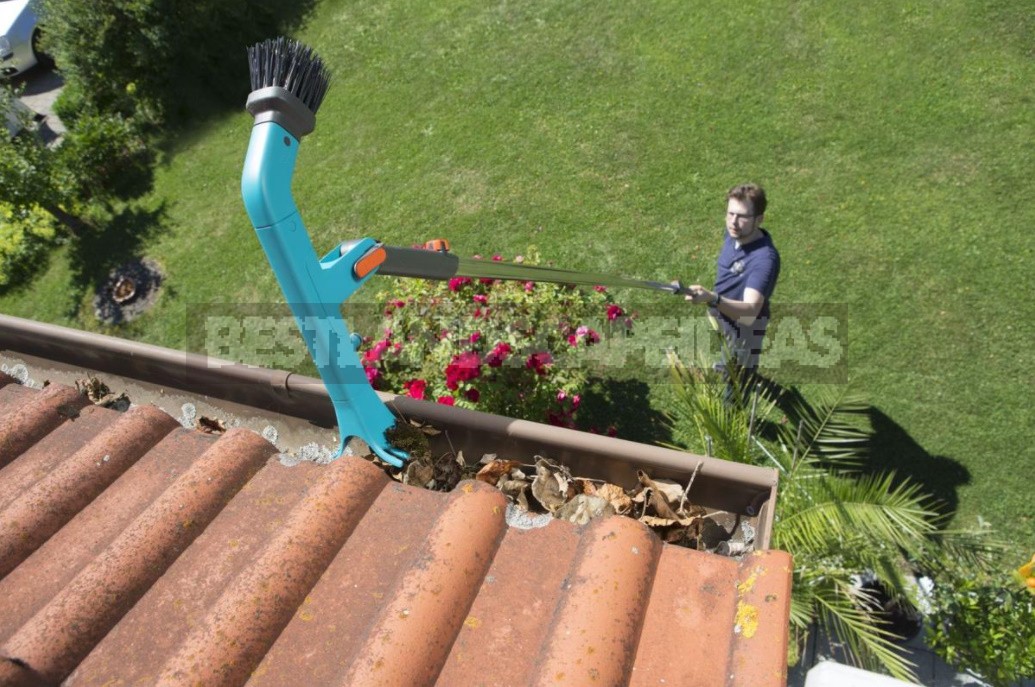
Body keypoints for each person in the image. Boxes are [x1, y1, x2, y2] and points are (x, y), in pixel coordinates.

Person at [683, 183, 780, 397]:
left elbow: (749, 312)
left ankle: (729, 417)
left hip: (744, 335)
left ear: (759, 219)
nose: (734, 222)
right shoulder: (735, 234)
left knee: (734, 390)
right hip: (725, 322)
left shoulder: (764, 260)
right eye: (730, 213)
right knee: (728, 362)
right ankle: (729, 368)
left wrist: (713, 298)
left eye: (742, 216)